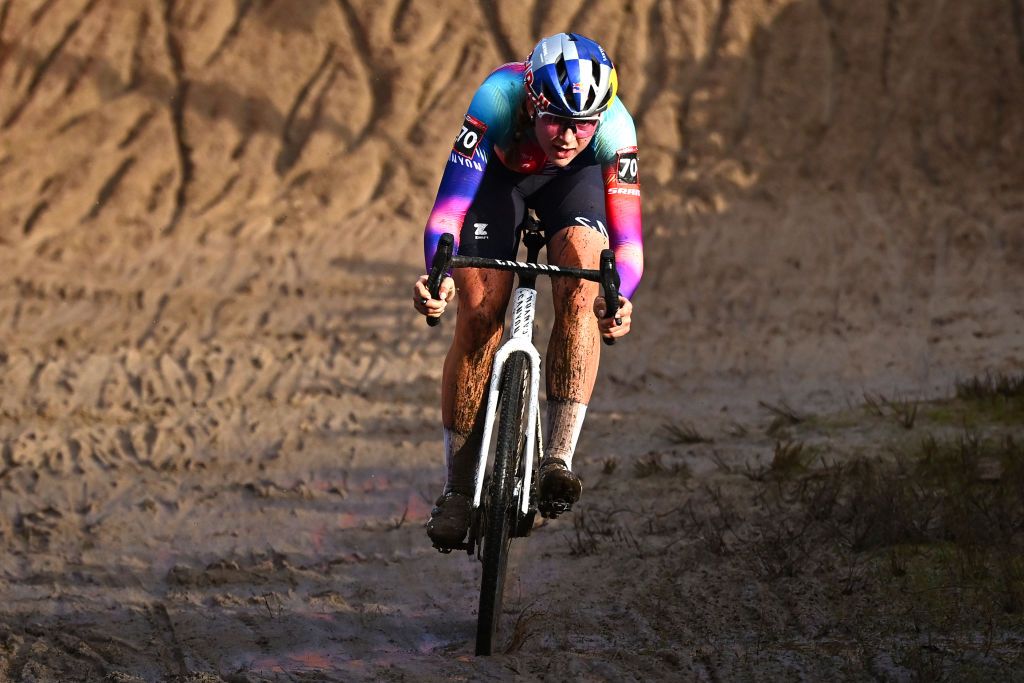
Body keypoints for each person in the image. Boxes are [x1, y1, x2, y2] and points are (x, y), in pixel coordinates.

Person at [412, 32, 644, 549]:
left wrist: (619, 294)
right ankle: (456, 490)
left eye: (583, 123)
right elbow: (448, 212)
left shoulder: (616, 126)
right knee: (479, 312)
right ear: (532, 102)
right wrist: (438, 275)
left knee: (585, 283)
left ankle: (556, 461)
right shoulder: (498, 96)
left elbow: (628, 243)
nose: (568, 136)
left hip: (572, 190)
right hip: (498, 183)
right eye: (557, 119)